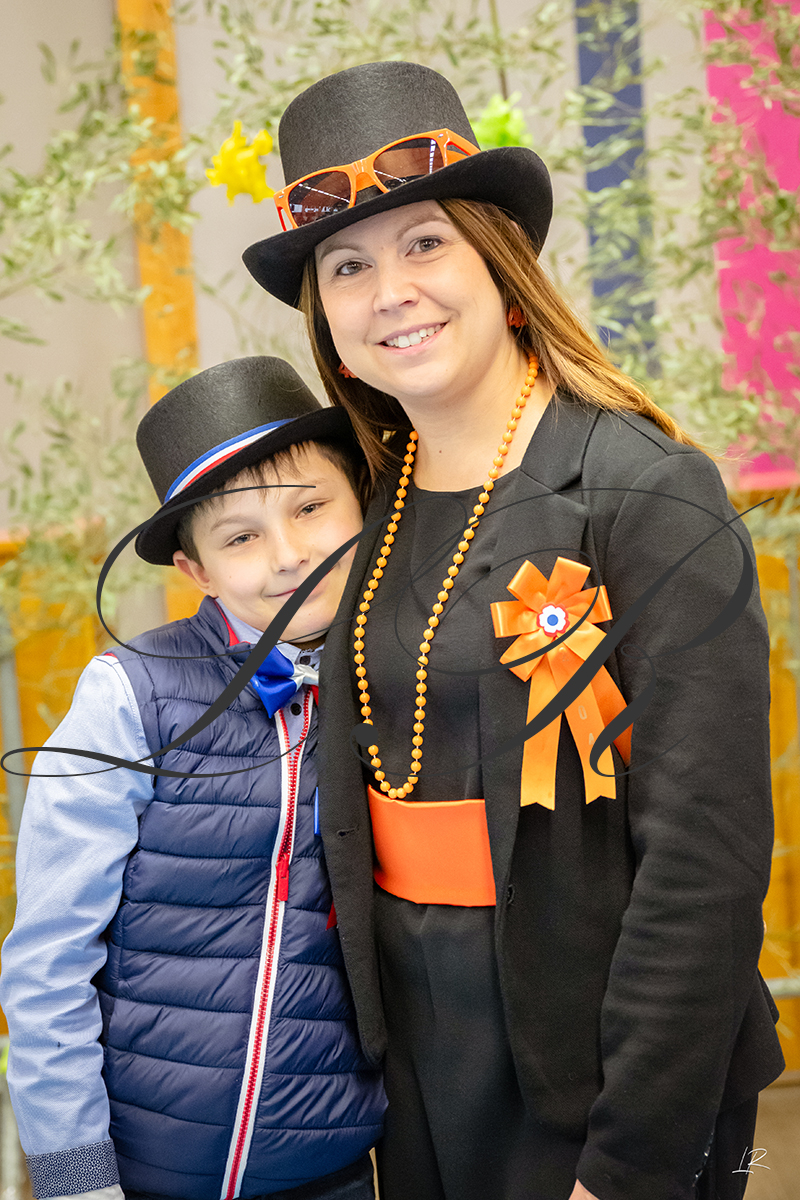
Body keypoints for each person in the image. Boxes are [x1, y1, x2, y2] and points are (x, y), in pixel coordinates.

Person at [240, 62, 785, 1200]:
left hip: (596, 1067)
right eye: (348, 267)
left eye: (424, 243)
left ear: (501, 264)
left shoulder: (644, 492)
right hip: (418, 1066)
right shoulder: (372, 508)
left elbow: (705, 860)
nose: (391, 291)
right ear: (327, 324)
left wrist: (628, 1164)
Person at [0, 357, 386, 1200]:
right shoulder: (128, 695)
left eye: (311, 508)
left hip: (334, 1170)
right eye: (240, 537)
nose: (289, 555)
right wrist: (76, 1178)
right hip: (142, 1173)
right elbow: (49, 960)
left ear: (365, 504)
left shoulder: (407, 682)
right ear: (198, 572)